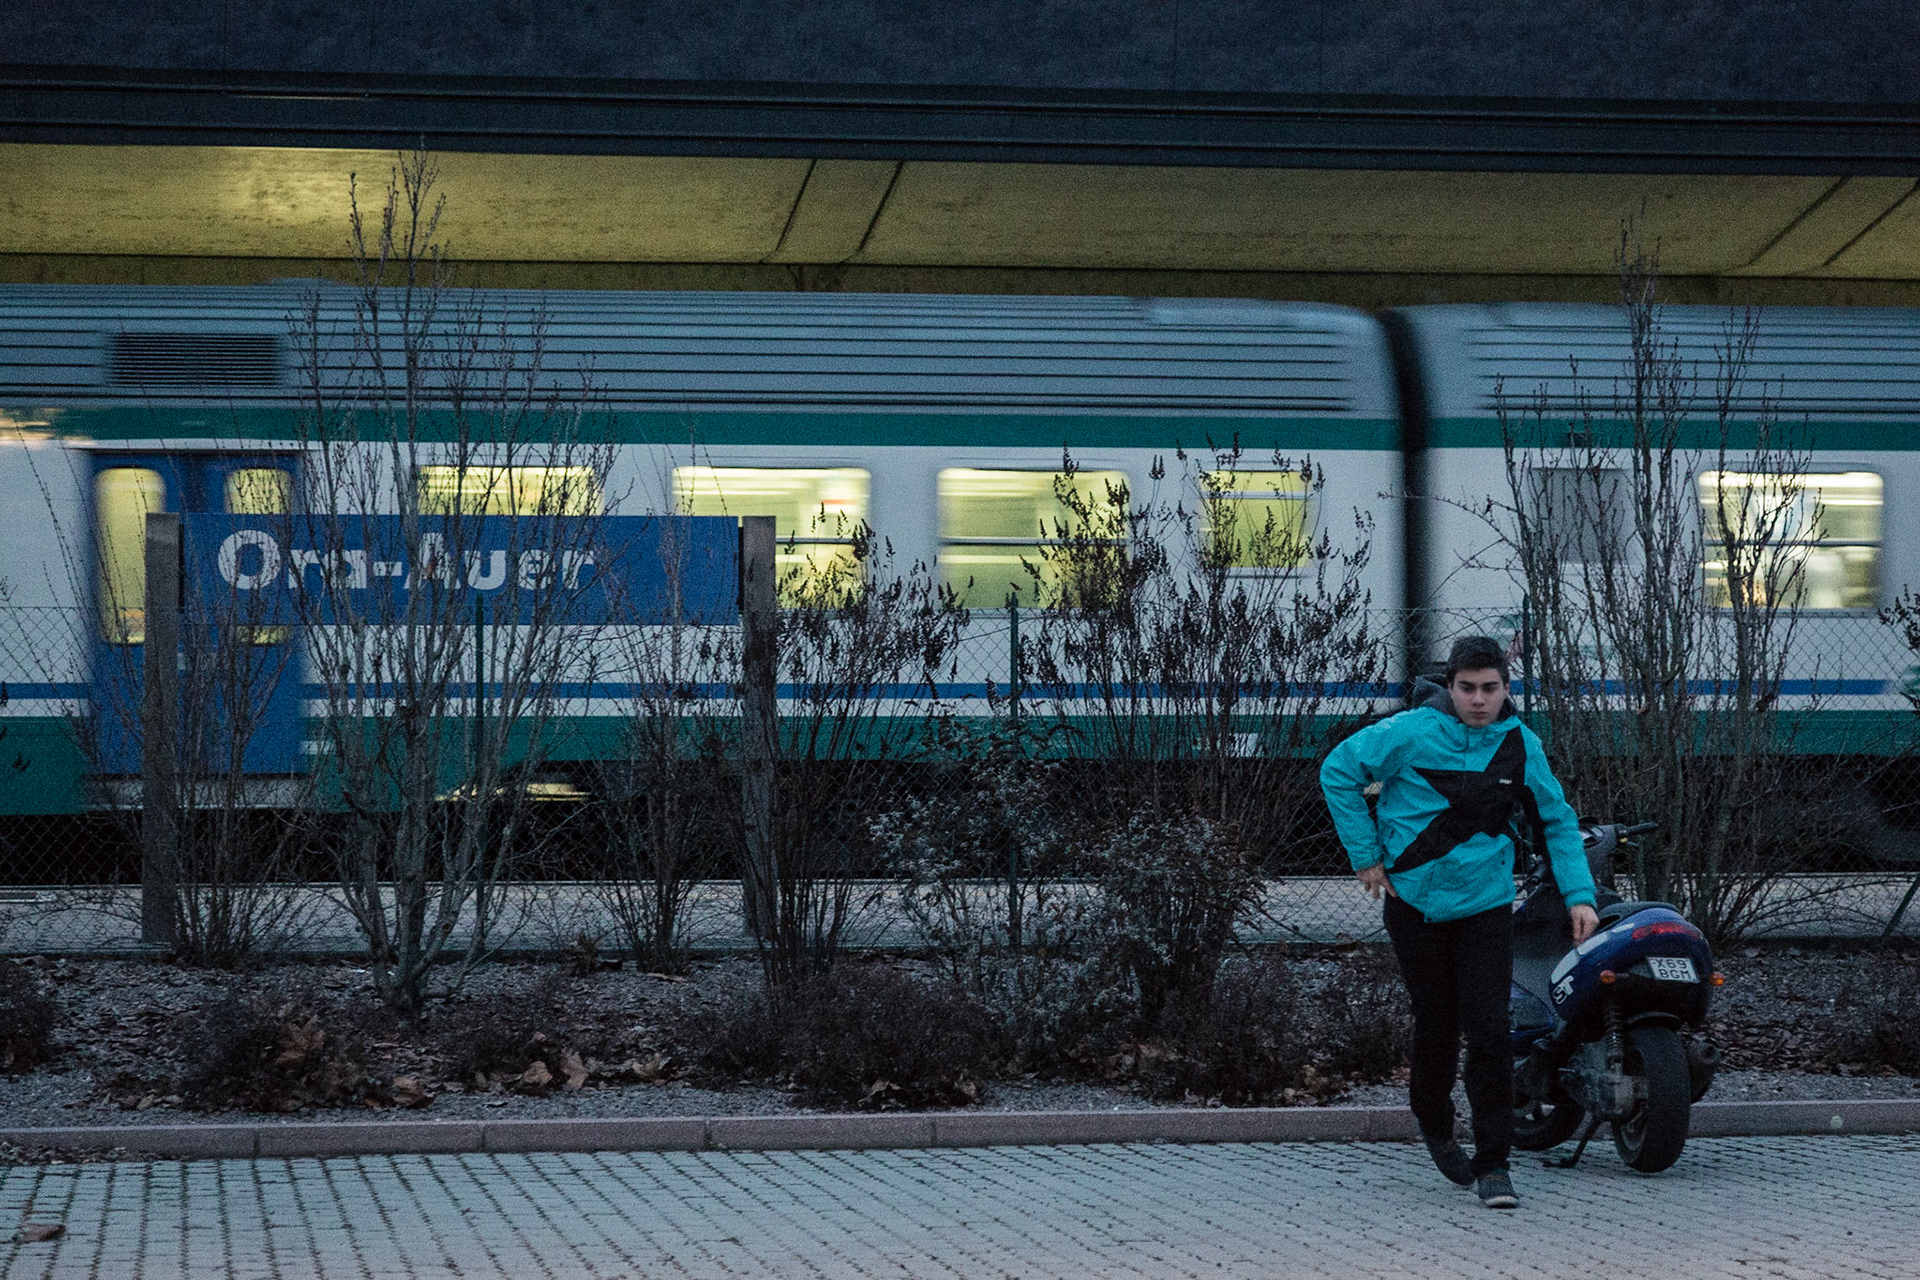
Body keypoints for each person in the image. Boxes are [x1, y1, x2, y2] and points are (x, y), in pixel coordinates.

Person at [1319, 635, 1598, 1210]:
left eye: (1490, 689)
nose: (1478, 700)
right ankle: (1434, 1120)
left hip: (1485, 907)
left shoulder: (1522, 745)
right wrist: (1366, 855)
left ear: (1505, 688)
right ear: (1450, 687)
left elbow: (1558, 820)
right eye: (1467, 688)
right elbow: (1338, 770)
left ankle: (1495, 1165)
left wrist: (1579, 895)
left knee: (1491, 1031)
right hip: (1415, 907)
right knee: (1438, 1024)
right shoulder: (1410, 732)